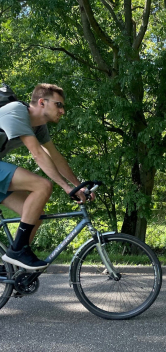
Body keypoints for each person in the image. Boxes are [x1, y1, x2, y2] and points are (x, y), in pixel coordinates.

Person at [0, 83, 90, 270]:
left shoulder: (38, 127)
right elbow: (38, 154)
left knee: (34, 214)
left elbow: (55, 157)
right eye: (58, 104)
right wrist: (66, 188)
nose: (62, 111)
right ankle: (17, 252)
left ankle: (13, 273)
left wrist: (77, 185)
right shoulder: (16, 111)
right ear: (41, 102)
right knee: (42, 186)